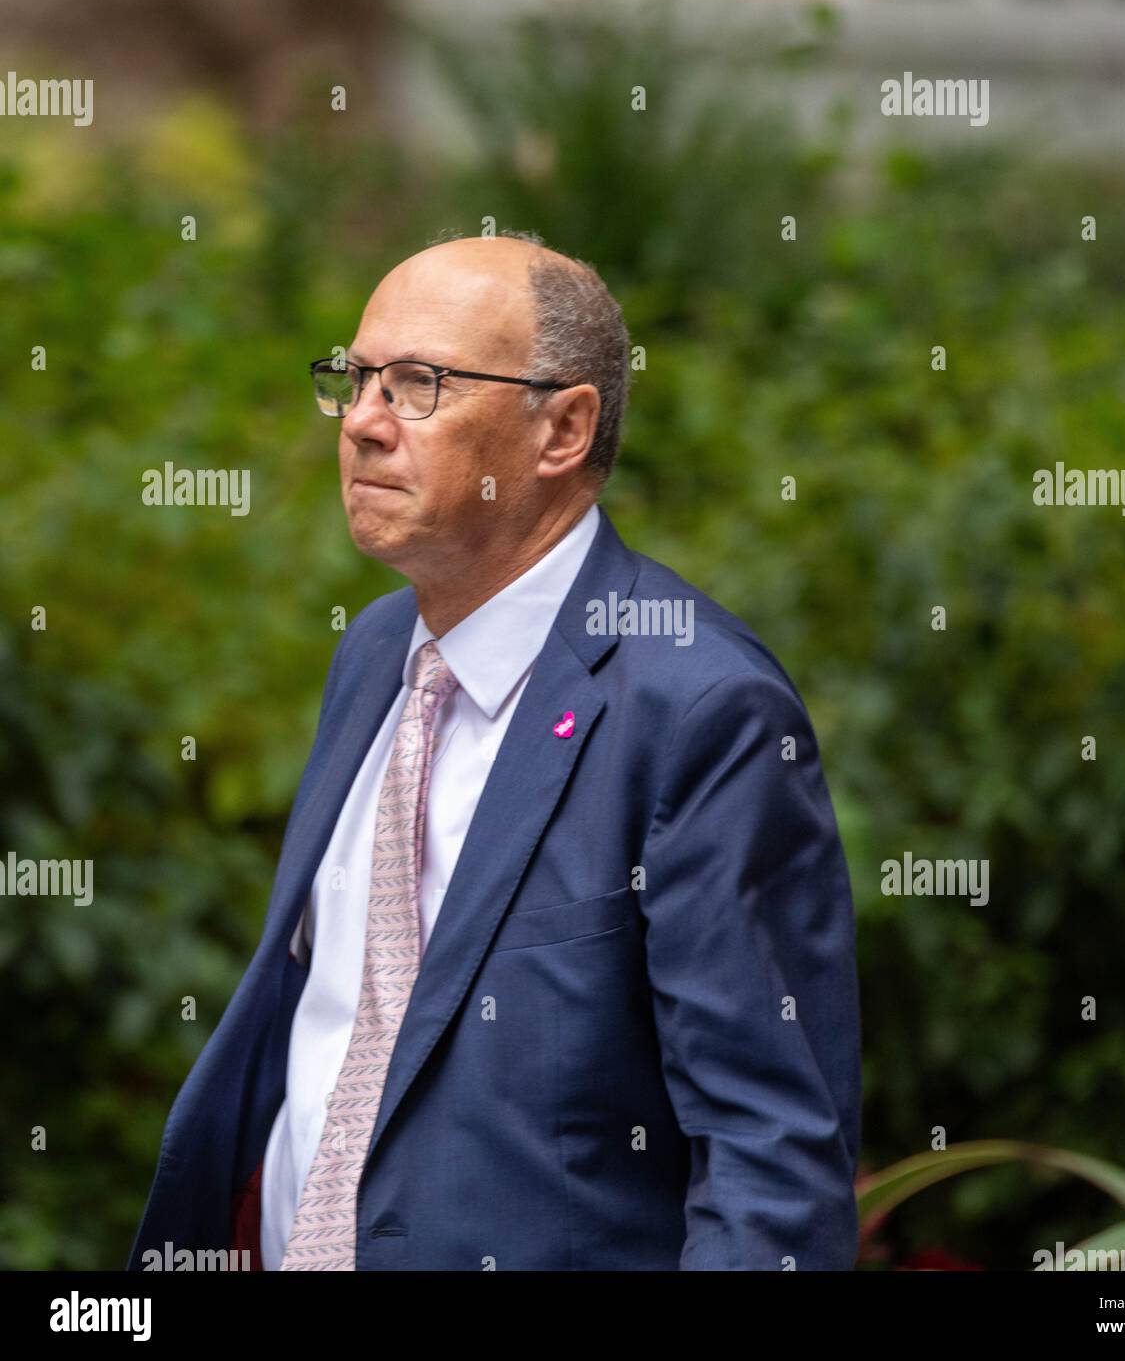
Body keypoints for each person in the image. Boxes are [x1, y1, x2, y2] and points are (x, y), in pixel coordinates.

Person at [128, 232, 862, 1271]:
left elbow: (770, 1159)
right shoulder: (377, 651)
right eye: (355, 378)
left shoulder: (702, 711)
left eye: (420, 384)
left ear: (563, 427)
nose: (365, 425)